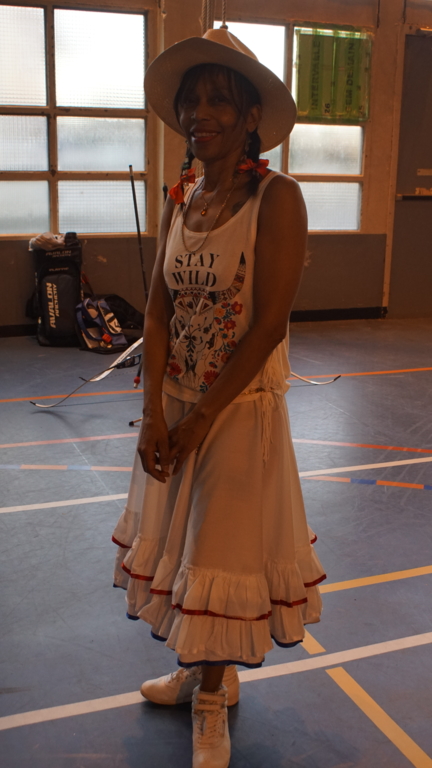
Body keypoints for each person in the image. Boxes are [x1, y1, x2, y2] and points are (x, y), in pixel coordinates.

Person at [112, 26, 326, 768]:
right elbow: (157, 312)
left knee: (218, 552)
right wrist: (154, 415)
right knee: (181, 549)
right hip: (177, 405)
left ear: (251, 118)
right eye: (191, 100)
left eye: (219, 101)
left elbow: (267, 327)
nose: (199, 113)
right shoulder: (181, 197)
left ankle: (211, 700)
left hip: (236, 412)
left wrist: (201, 418)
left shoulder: (279, 199)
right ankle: (203, 670)